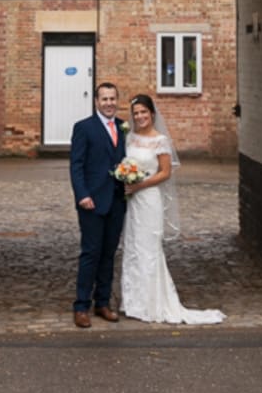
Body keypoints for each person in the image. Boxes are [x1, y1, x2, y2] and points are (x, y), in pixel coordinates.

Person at [120, 93, 225, 324]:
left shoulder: (160, 140)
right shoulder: (129, 138)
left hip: (149, 198)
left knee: (149, 250)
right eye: (136, 113)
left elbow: (165, 173)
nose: (140, 117)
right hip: (133, 202)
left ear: (152, 114)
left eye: (143, 112)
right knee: (133, 248)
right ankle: (133, 302)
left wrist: (140, 184)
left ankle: (152, 304)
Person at [69, 81, 126, 328]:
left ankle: (102, 302)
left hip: (117, 200)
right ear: (96, 102)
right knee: (91, 253)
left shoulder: (124, 127)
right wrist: (82, 194)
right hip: (91, 201)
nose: (109, 103)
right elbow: (76, 165)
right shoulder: (84, 128)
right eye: (104, 99)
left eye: (112, 99)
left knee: (108, 254)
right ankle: (81, 306)